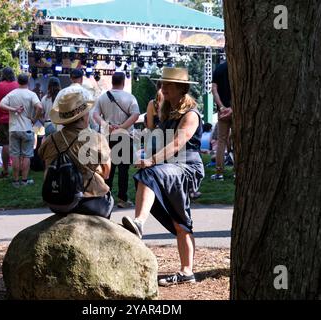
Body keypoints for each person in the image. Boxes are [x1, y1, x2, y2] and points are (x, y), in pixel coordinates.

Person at [121, 67, 205, 286]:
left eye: (167, 84)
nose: (162, 88)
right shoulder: (166, 111)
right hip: (169, 168)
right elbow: (160, 140)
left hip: (186, 168)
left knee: (148, 173)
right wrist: (145, 154)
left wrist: (151, 161)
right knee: (180, 222)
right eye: (162, 84)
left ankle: (139, 223)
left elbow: (178, 144)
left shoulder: (191, 114)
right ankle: (187, 273)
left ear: (181, 88)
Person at [39, 92, 113, 218]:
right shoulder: (96, 139)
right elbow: (106, 173)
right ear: (84, 116)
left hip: (56, 201)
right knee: (108, 198)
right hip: (90, 202)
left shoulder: (49, 141)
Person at [93, 72, 140, 208]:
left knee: (108, 168)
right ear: (123, 82)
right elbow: (135, 115)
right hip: (124, 136)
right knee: (123, 170)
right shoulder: (130, 97)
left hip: (108, 137)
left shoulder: (102, 98)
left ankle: (106, 197)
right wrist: (122, 127)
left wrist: (106, 125)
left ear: (112, 81)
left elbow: (95, 115)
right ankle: (122, 199)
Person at [0, 73, 43, 187]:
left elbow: (1, 105)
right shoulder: (31, 94)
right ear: (28, 82)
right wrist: (34, 119)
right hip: (27, 128)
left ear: (18, 81)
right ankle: (24, 180)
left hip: (13, 129)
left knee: (15, 156)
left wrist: (13, 109)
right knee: (26, 156)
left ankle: (15, 181)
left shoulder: (12, 94)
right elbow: (40, 107)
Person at [0, 67, 19, 178]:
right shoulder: (18, 86)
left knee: (5, 144)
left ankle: (5, 169)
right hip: (17, 119)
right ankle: (19, 169)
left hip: (3, 119)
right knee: (17, 144)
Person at [211, 61, 232, 181]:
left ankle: (219, 173)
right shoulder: (240, 67)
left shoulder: (219, 68)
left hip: (222, 112)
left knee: (221, 142)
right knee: (238, 141)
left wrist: (222, 107)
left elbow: (214, 89)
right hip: (237, 111)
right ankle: (237, 172)